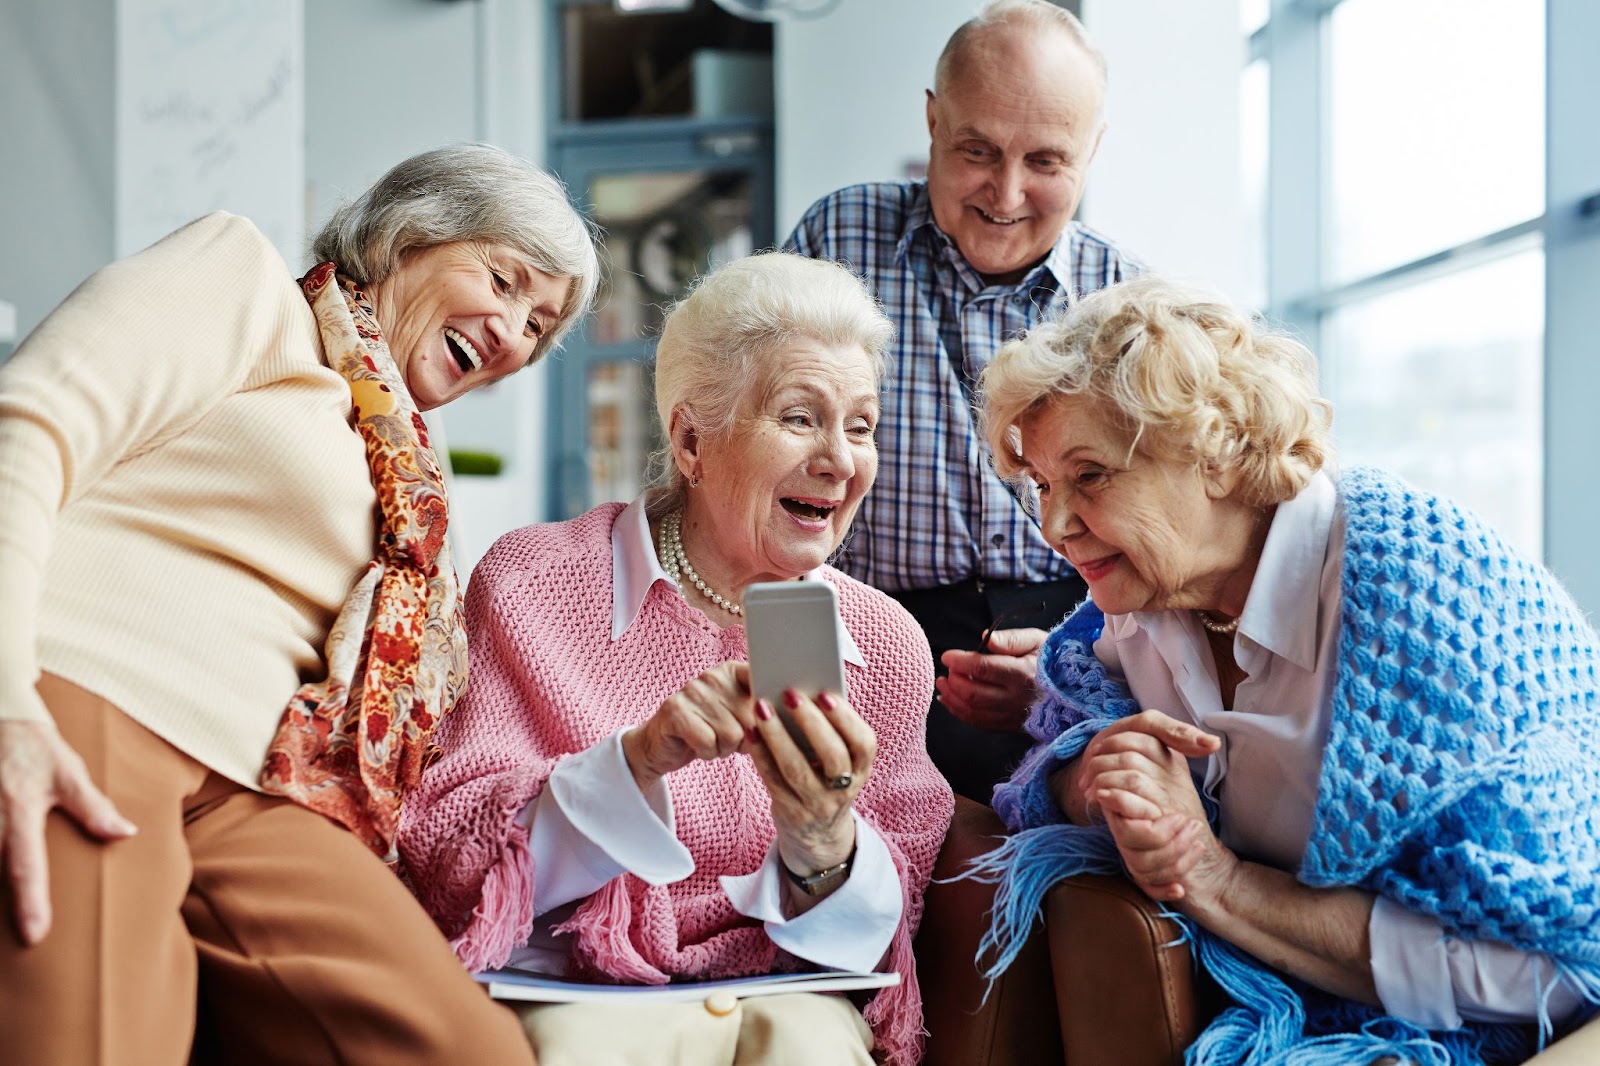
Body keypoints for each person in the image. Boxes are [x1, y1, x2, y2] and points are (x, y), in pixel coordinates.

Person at [0, 142, 599, 1064]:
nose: (516, 334)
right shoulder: (243, 285)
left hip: (266, 791)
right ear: (409, 238)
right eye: (506, 280)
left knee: (469, 1050)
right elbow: (27, 428)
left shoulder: (409, 477)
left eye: (541, 324)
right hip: (95, 697)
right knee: (100, 1039)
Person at [970, 276, 1600, 1063]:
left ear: (1219, 453)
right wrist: (1095, 774)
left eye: (1089, 476)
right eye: (1041, 486)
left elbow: (1550, 964)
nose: (1054, 526)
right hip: (1284, 999)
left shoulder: (1431, 601)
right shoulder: (1137, 601)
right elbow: (1056, 759)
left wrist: (1219, 881)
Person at [399, 252, 954, 1066]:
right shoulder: (533, 584)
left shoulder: (887, 644)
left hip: (784, 997)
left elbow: (889, 933)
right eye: (801, 418)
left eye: (861, 425)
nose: (840, 459)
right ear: (692, 439)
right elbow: (449, 851)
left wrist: (824, 840)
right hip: (575, 992)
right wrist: (637, 761)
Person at [785, 0, 1142, 803]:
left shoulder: (1129, 304)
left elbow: (1166, 559)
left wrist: (1068, 663)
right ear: (933, 120)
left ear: (1092, 151)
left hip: (1079, 641)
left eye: (1047, 162)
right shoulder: (838, 237)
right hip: (865, 639)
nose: (1007, 193)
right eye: (978, 150)